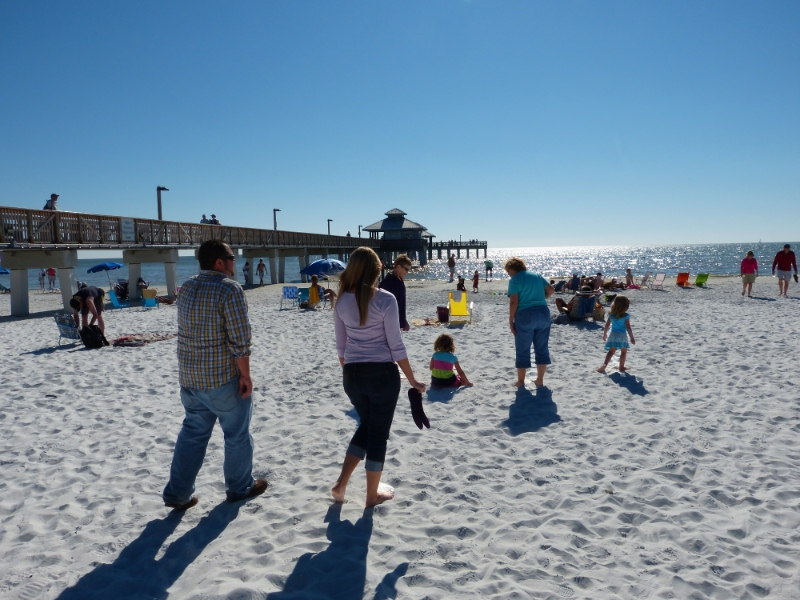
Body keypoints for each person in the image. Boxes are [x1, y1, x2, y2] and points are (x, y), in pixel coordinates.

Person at [162, 240, 267, 510]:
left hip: (190, 378)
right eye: (232, 256)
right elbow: (240, 339)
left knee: (193, 435)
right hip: (222, 379)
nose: (235, 261)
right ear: (219, 262)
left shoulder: (187, 287)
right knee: (237, 435)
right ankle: (239, 487)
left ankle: (178, 494)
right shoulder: (229, 289)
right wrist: (246, 375)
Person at [332, 247, 426, 508]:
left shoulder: (341, 300)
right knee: (378, 434)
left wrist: (351, 375)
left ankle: (341, 484)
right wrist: (413, 380)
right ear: (377, 270)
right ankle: (371, 495)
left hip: (352, 374)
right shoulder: (385, 299)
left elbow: (341, 348)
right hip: (381, 374)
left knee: (367, 426)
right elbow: (396, 347)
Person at [505, 257, 554, 388]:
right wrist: (540, 298)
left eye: (508, 271)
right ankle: (539, 380)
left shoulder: (514, 280)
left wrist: (511, 320)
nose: (508, 273)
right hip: (543, 312)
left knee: (522, 348)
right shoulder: (536, 275)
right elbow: (551, 290)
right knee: (542, 347)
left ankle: (521, 381)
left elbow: (514, 302)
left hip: (525, 314)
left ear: (512, 268)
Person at [597, 295, 636, 373]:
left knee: (611, 352)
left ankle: (605, 365)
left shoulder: (611, 315)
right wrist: (632, 337)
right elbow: (628, 327)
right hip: (622, 335)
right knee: (623, 352)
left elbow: (607, 325)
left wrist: (605, 334)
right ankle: (621, 367)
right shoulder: (626, 316)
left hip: (613, 335)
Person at [378, 254, 411, 331]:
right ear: (398, 267)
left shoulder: (397, 281)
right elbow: (388, 306)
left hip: (396, 322)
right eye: (406, 269)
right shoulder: (390, 283)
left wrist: (403, 321)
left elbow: (400, 304)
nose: (407, 272)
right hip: (390, 324)